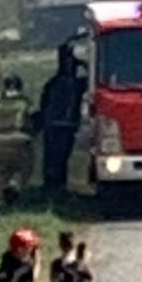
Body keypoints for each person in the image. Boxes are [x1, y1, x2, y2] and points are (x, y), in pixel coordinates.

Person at [39, 43, 85, 191]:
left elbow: (43, 105)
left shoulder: (54, 83)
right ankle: (55, 185)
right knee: (58, 156)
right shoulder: (75, 84)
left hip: (57, 125)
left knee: (56, 156)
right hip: (62, 125)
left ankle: (55, 185)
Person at [0, 74, 35, 204]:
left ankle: (5, 190)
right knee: (24, 167)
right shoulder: (25, 102)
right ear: (20, 87)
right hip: (20, 141)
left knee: (2, 170)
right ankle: (15, 185)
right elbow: (31, 120)